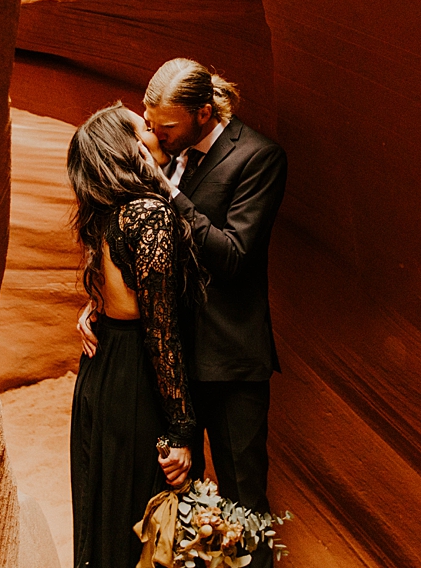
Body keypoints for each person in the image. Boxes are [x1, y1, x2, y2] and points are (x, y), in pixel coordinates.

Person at [79, 58, 287, 568]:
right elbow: (147, 258)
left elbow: (234, 256)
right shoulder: (166, 151)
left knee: (241, 506)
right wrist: (99, 306)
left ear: (203, 112)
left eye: (166, 126)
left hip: (229, 361)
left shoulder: (259, 158)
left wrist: (169, 191)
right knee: (175, 503)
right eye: (150, 123)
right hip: (168, 365)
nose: (154, 134)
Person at [67, 101, 204, 568]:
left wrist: (92, 310)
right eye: (141, 128)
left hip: (101, 370)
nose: (152, 131)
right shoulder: (148, 213)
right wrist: (182, 430)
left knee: (103, 510)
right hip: (136, 380)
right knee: (145, 526)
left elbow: (115, 288)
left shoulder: (103, 211)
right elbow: (160, 330)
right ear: (125, 149)